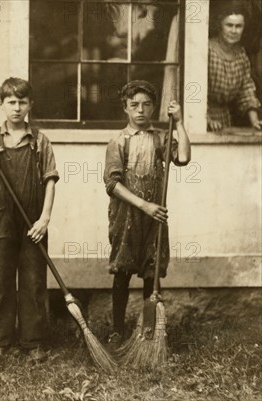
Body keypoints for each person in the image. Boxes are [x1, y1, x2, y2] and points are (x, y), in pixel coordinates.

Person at [0, 77, 58, 363]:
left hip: (33, 221)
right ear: (1, 105)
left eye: (22, 102)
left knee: (34, 281)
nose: (17, 108)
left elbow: (50, 181)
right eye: (11, 102)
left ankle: (32, 341)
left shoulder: (40, 141)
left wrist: (45, 218)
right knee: (1, 281)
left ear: (30, 105)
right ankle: (0, 340)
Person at [103, 80, 191, 345]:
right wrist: (144, 205)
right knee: (122, 271)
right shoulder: (118, 141)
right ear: (125, 108)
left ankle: (149, 330)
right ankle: (117, 329)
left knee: (151, 273)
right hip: (126, 217)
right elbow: (112, 184)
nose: (140, 110)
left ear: (153, 107)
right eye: (134, 105)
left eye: (146, 105)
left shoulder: (161, 138)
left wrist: (181, 122)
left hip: (155, 220)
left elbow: (184, 158)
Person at [208, 2, 261, 131]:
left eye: (238, 26)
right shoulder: (207, 50)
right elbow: (194, 91)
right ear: (220, 25)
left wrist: (254, 121)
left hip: (225, 119)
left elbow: (246, 90)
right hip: (202, 118)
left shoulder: (241, 54)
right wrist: (208, 119)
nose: (234, 30)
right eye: (229, 25)